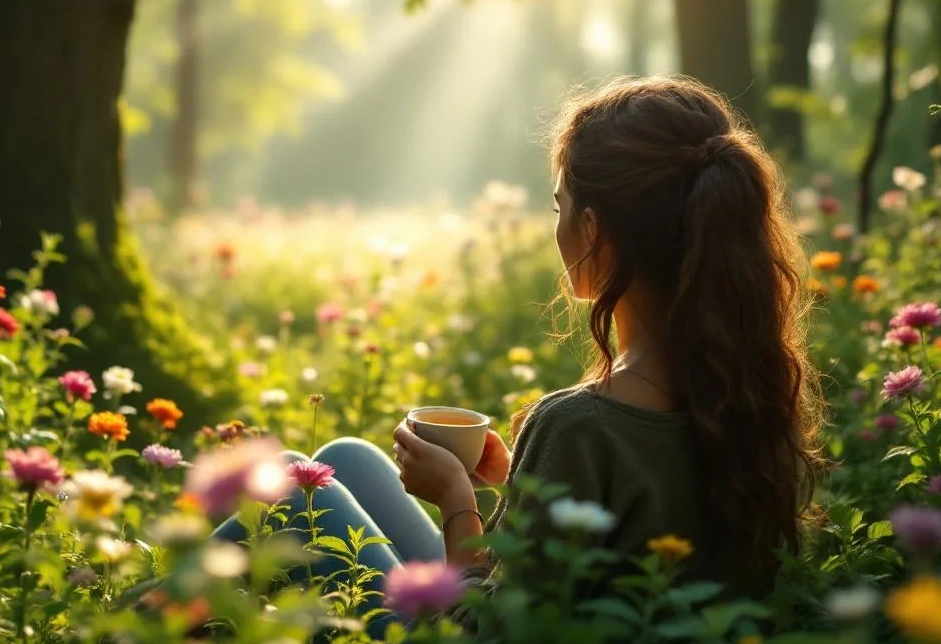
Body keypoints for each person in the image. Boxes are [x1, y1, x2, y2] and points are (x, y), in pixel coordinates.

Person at [214, 76, 824, 633]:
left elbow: (487, 633)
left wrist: (458, 503)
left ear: (594, 230)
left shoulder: (579, 425)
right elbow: (630, 522)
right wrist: (522, 486)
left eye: (559, 207)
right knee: (348, 459)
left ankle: (163, 614)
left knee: (289, 486)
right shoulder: (747, 391)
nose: (556, 226)